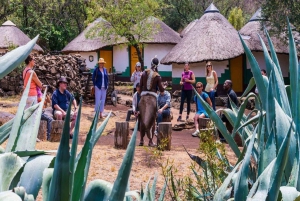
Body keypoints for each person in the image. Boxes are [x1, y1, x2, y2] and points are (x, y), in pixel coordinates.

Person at [139, 56, 165, 146]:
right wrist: (164, 87)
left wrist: (141, 95)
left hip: (143, 98)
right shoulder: (158, 76)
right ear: (157, 65)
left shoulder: (144, 73)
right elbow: (161, 90)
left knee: (142, 119)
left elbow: (140, 86)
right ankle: (150, 141)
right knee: (152, 119)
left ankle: (141, 140)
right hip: (152, 98)